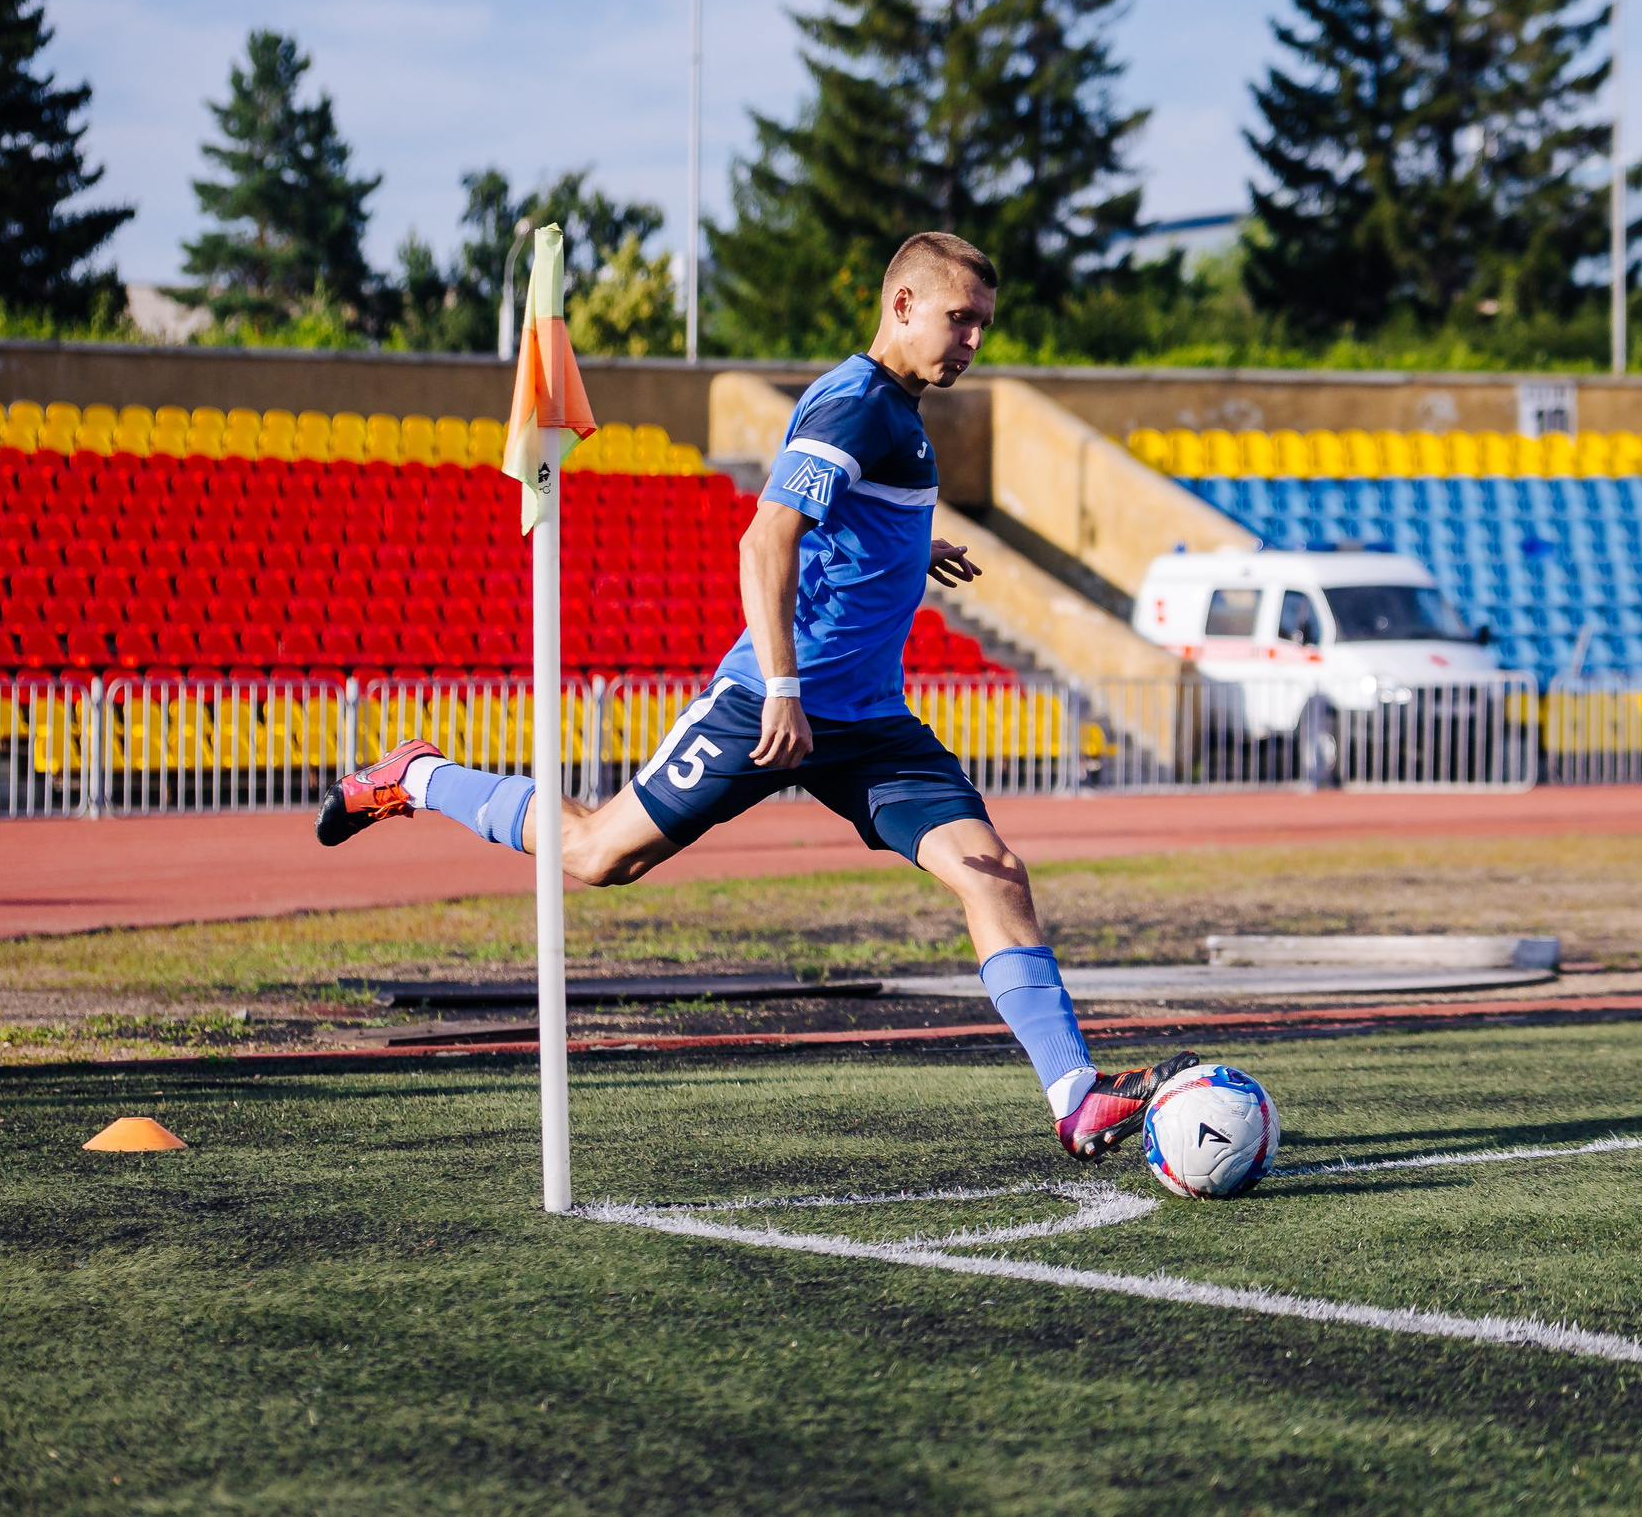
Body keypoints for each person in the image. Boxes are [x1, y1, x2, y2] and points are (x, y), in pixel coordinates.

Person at [316, 232, 1192, 1159]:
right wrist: (780, 688)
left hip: (871, 725)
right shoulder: (853, 404)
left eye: (983, 323)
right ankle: (419, 775)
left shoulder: (898, 407)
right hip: (769, 706)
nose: (973, 339)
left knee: (994, 872)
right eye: (958, 318)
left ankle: (1076, 1096)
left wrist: (907, 554)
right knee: (598, 856)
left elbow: (841, 524)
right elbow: (765, 540)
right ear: (901, 306)